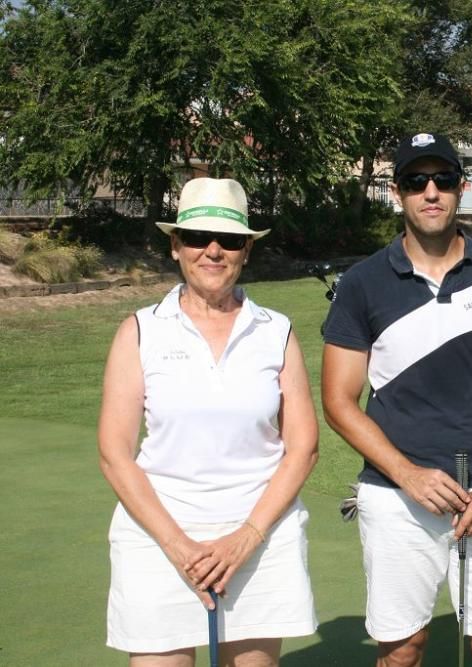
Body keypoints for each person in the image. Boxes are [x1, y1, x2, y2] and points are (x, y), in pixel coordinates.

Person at [321, 132, 472, 667]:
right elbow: (338, 400)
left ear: (462, 188)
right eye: (416, 181)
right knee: (402, 651)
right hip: (398, 498)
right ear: (396, 192)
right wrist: (407, 474)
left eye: (443, 180)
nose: (431, 191)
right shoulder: (362, 284)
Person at [98, 178, 319, 666]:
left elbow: (303, 446)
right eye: (197, 237)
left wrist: (245, 538)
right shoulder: (140, 330)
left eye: (230, 240)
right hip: (158, 535)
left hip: (260, 534)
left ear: (246, 251)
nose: (213, 251)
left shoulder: (276, 330)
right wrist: (179, 547)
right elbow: (115, 453)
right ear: (176, 246)